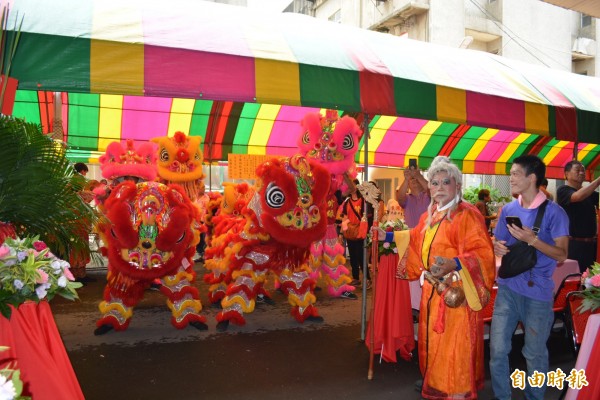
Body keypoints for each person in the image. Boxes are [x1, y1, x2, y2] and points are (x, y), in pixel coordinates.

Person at [378, 156, 495, 399]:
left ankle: (458, 393)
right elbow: (415, 236)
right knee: (437, 349)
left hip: (457, 298)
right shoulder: (429, 214)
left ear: (458, 186)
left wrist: (455, 263)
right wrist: (387, 237)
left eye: (445, 182)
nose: (439, 188)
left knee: (456, 351)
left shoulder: (467, 215)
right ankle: (442, 389)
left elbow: (483, 253)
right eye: (434, 183)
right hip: (433, 294)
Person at [490, 155, 569, 400]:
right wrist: (497, 246)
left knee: (534, 353)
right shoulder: (508, 209)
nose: (510, 178)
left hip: (538, 293)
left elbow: (562, 254)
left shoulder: (555, 213)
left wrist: (532, 240)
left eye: (515, 174)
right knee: (497, 350)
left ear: (531, 178)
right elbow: (498, 240)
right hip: (507, 288)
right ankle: (502, 396)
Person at [556, 160, 600, 273]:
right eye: (577, 170)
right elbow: (577, 197)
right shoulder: (563, 190)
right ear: (566, 173)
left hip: (590, 245)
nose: (581, 173)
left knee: (589, 282)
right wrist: (598, 180)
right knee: (573, 279)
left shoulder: (591, 194)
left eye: (583, 171)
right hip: (573, 245)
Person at [341, 179, 371, 288]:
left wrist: (364, 230)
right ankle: (355, 278)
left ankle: (367, 279)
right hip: (350, 232)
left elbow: (367, 216)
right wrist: (344, 231)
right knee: (353, 256)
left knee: (361, 257)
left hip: (360, 232)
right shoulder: (347, 202)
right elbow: (344, 216)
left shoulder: (363, 201)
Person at [396, 163, 430, 228]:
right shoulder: (407, 198)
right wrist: (406, 179)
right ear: (408, 185)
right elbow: (400, 198)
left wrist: (419, 176)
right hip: (411, 236)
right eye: (412, 179)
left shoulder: (429, 196)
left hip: (427, 236)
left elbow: (433, 191)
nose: (414, 180)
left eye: (416, 178)